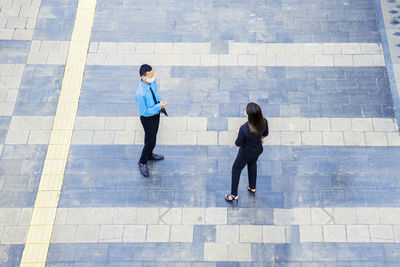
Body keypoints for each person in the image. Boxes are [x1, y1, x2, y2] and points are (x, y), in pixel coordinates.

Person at [225, 102, 269, 202]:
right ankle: (252, 187)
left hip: (245, 153)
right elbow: (265, 133)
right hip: (258, 150)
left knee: (236, 170)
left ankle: (234, 194)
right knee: (252, 164)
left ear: (249, 115)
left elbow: (238, 143)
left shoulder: (244, 128)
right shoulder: (264, 121)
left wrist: (237, 134)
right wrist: (260, 138)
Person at [136, 64, 167, 177]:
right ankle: (143, 161)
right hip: (148, 118)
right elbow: (144, 112)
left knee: (151, 136)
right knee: (151, 141)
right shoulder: (140, 94)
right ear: (143, 77)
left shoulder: (151, 82)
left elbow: (155, 94)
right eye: (150, 75)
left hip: (155, 114)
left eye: (153, 74)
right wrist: (159, 107)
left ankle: (149, 154)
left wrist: (159, 102)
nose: (153, 77)